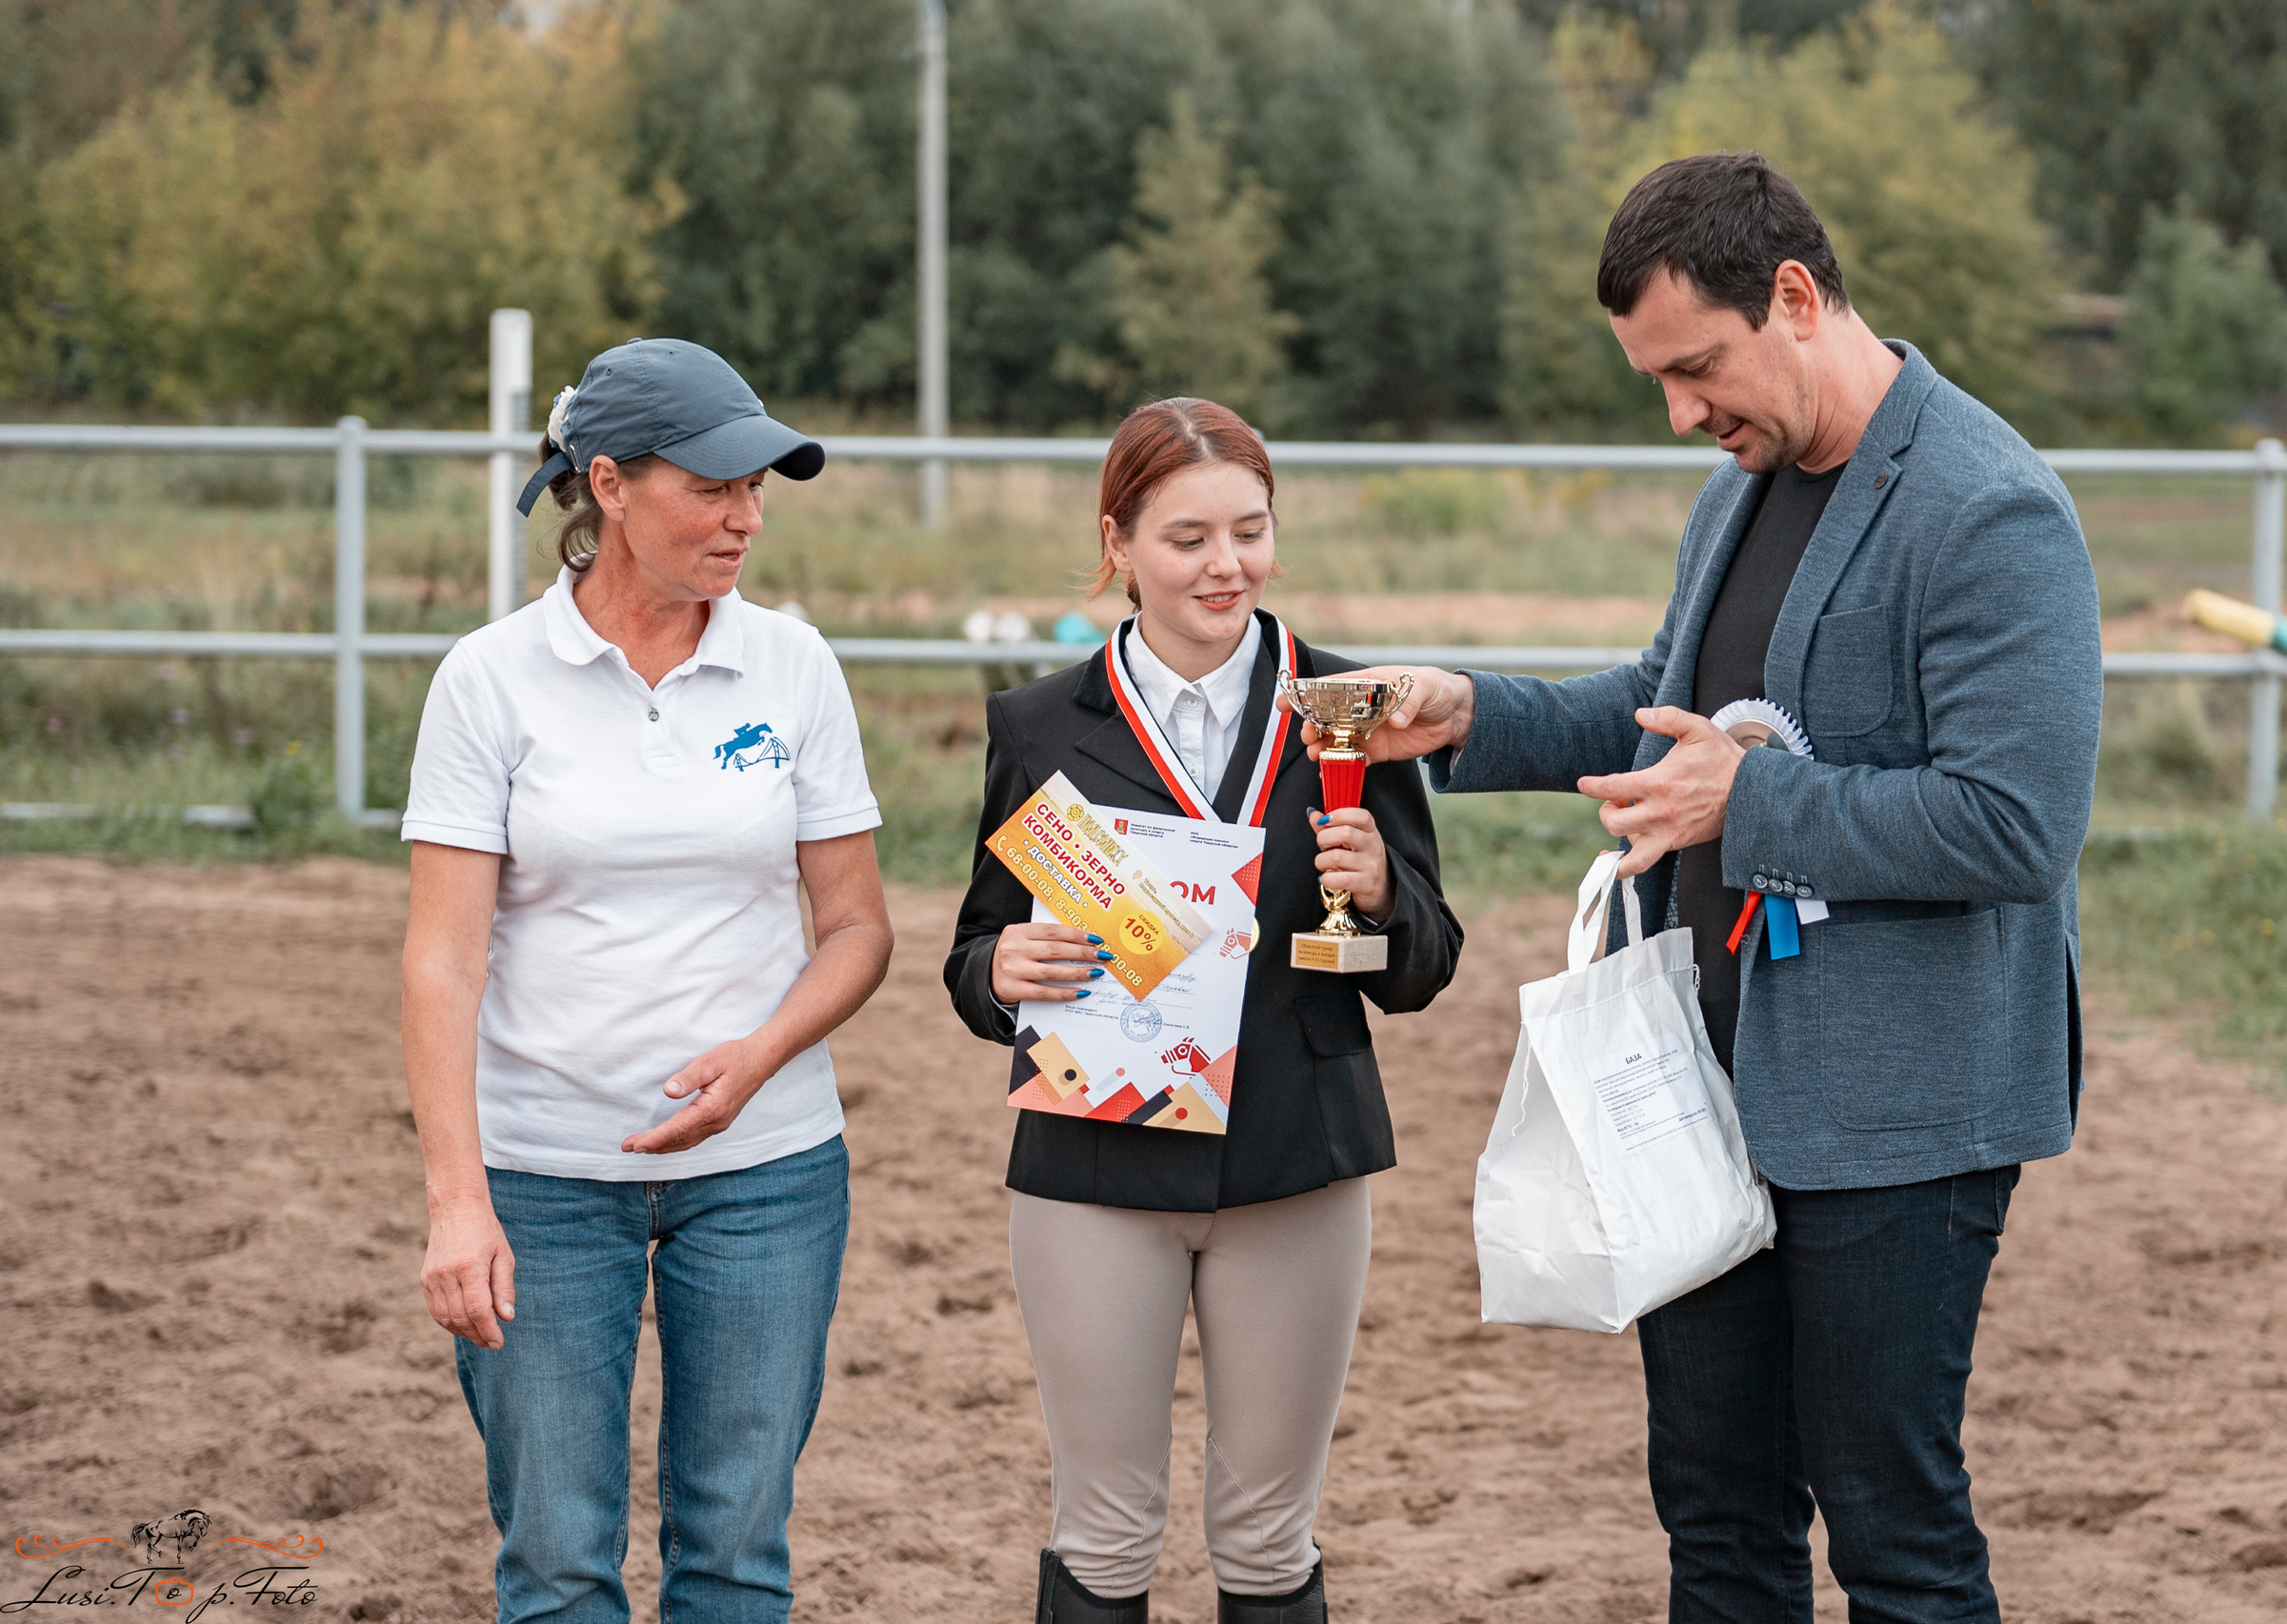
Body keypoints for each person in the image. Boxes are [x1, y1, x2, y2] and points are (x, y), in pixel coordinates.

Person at [1300, 153, 2102, 1621]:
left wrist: (1761, 799)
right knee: (1718, 1518)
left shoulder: (1992, 509)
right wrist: (1471, 709)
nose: (1682, 411)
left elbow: (2015, 825)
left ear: (1794, 296)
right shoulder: (1739, 490)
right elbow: (1670, 711)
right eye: (1657, 380)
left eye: (1697, 368)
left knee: (1892, 1528)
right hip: (1705, 1082)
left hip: (1899, 1113)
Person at [943, 398, 1463, 1624]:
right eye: (1188, 537)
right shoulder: (1035, 724)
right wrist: (999, 971)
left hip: (1297, 1163)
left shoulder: (1356, 707)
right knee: (1105, 1532)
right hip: (1092, 1168)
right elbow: (976, 952)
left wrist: (1384, 896)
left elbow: (1424, 964)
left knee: (1269, 1538)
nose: (1226, 564)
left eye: (1251, 529)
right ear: (1117, 540)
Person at [399, 337, 894, 1623]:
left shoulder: (795, 667)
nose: (746, 517)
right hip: (545, 1180)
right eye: (714, 486)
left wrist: (761, 1054)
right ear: (606, 485)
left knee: (735, 1552)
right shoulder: (490, 680)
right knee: (558, 1560)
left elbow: (855, 930)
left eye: (759, 488)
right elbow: (441, 960)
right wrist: (460, 1203)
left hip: (771, 1173)